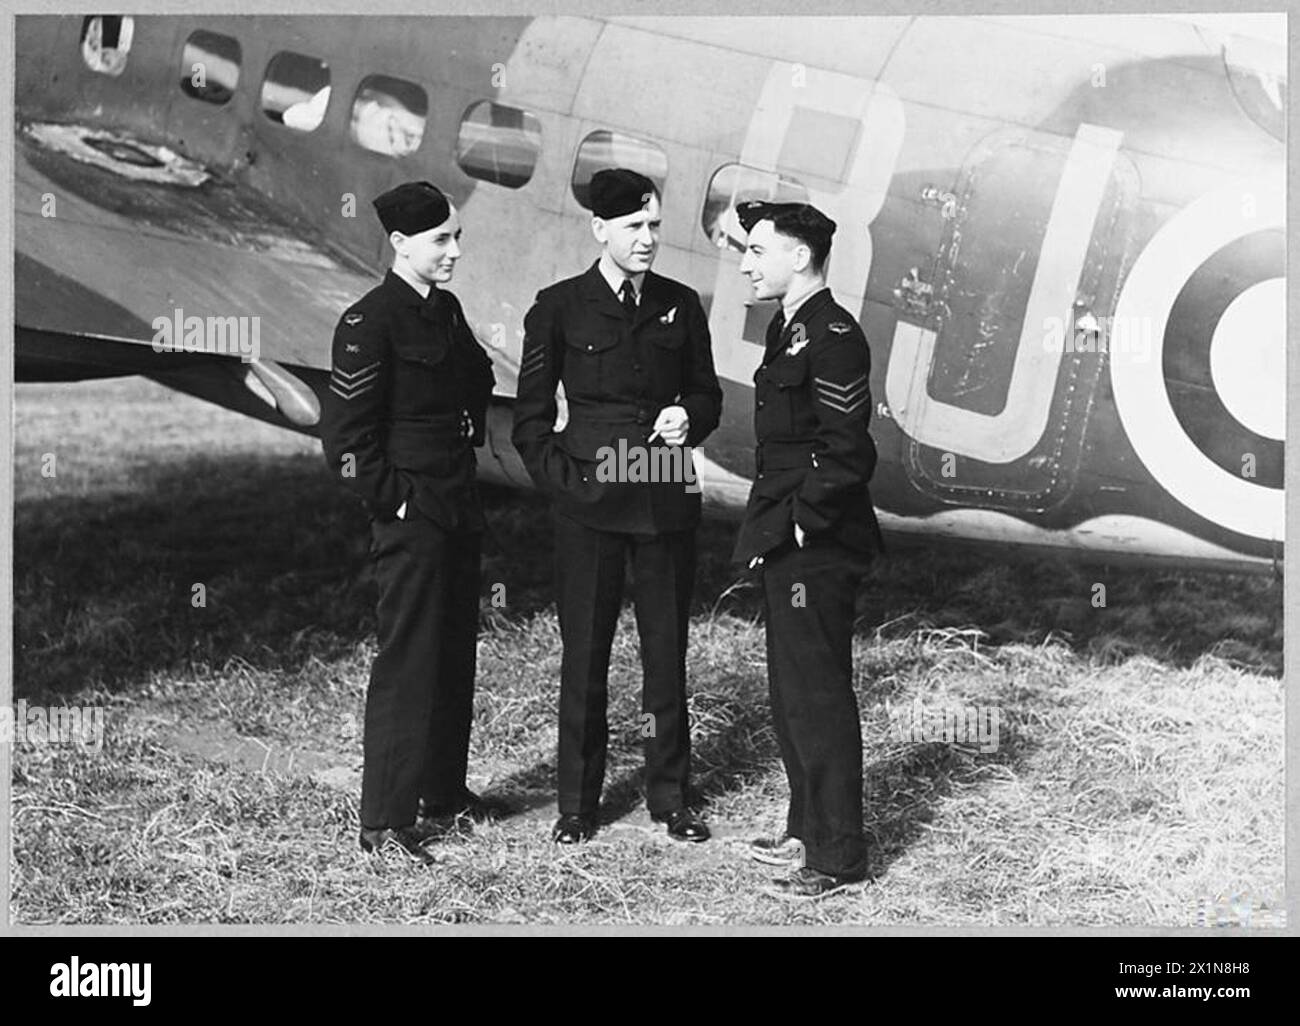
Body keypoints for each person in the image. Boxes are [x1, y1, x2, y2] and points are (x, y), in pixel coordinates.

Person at [512, 168, 723, 844]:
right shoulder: (559, 307)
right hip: (590, 501)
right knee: (586, 656)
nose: (647, 239)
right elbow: (530, 419)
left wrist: (689, 418)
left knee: (666, 656)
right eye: (634, 227)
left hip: (663, 496)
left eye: (655, 226)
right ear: (599, 228)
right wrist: (566, 486)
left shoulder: (679, 304)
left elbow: (707, 394)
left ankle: (670, 796)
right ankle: (578, 804)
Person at [319, 181, 496, 862]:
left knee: (453, 651)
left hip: (456, 501)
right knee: (408, 658)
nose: (454, 252)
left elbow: (476, 376)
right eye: (441, 240)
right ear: (399, 243)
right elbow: (345, 441)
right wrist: (395, 501)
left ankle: (442, 791)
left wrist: (464, 434)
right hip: (413, 512)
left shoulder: (444, 310)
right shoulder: (369, 322)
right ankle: (385, 822)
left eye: (457, 238)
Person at [732, 200, 884, 899]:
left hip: (816, 539)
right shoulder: (788, 327)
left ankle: (837, 856)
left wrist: (802, 521)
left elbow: (847, 448)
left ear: (800, 257)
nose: (746, 264)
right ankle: (806, 825)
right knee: (791, 690)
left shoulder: (835, 336)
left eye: (757, 251)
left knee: (818, 694)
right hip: (785, 528)